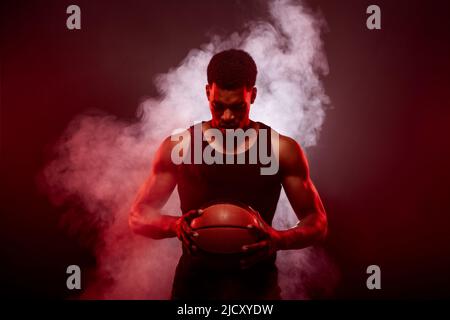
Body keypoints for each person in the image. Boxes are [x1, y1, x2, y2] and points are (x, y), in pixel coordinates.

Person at [128, 49, 327, 299]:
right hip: (193, 291)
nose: (227, 117)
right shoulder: (180, 146)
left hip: (258, 291)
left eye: (237, 107)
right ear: (207, 92)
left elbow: (317, 221)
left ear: (252, 95)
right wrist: (175, 225)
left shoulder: (282, 150)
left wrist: (279, 239)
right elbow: (138, 216)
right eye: (218, 106)